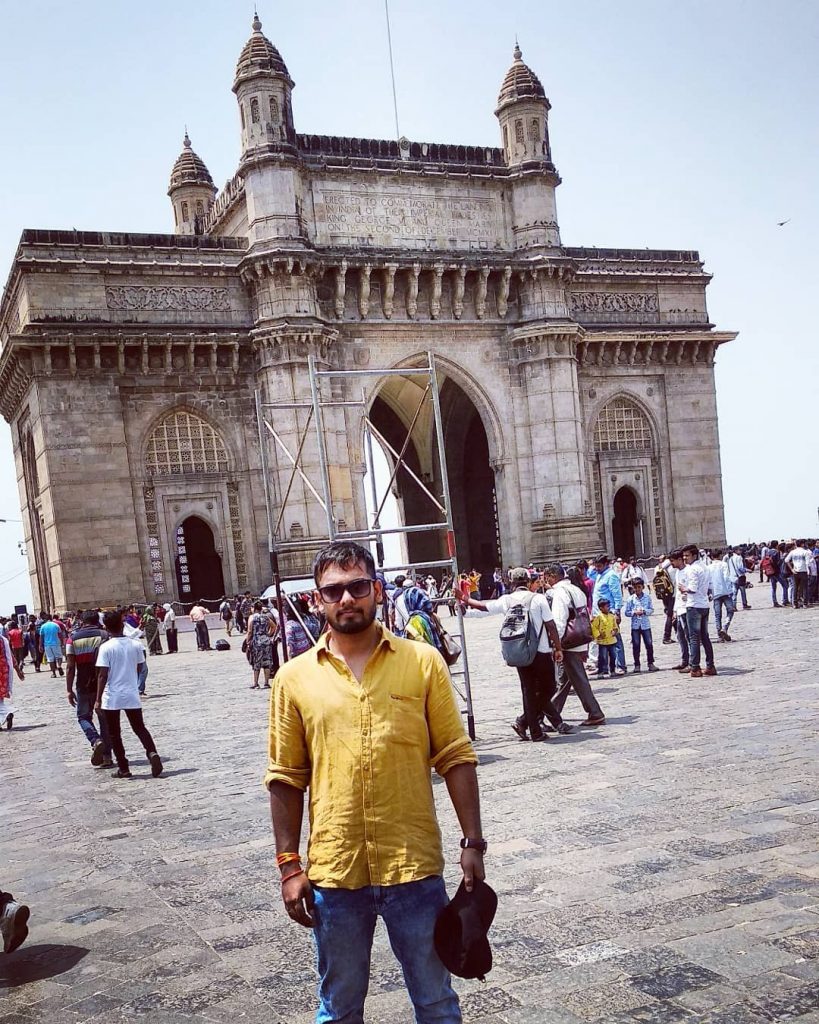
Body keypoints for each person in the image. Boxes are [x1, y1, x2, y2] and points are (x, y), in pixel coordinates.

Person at [265, 541, 483, 1023]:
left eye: (357, 586)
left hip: (414, 870)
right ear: (316, 600)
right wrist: (288, 865)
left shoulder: (423, 662)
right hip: (335, 874)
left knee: (436, 1002)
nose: (347, 599)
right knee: (339, 1008)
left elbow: (455, 756)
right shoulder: (293, 678)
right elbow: (285, 777)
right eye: (333, 591)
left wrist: (473, 842)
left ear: (377, 591)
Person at [462, 566, 570, 742]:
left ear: (511, 583)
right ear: (527, 582)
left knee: (527, 690)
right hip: (541, 651)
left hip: (519, 650)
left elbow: (483, 607)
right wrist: (558, 648)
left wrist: (464, 598)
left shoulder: (507, 600)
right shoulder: (539, 599)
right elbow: (551, 626)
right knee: (549, 687)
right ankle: (525, 722)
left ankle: (532, 729)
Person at [94, 609, 163, 779]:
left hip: (112, 696)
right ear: (122, 624)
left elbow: (102, 675)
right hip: (131, 693)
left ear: (106, 627)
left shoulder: (105, 648)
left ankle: (124, 767)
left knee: (114, 733)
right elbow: (139, 667)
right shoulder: (136, 645)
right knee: (139, 728)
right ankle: (152, 752)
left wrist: (97, 699)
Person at [545, 564, 606, 726]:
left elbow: (559, 621)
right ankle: (551, 713)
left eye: (547, 577)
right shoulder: (576, 589)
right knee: (565, 680)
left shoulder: (559, 593)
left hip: (568, 642)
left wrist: (555, 645)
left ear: (552, 576)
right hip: (579, 637)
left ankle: (595, 712)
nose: (547, 581)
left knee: (578, 678)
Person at [65, 610, 113, 768]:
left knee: (83, 717)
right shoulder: (104, 635)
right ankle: (107, 757)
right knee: (104, 719)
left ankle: (95, 740)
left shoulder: (72, 639)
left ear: (82, 621)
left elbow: (71, 667)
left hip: (83, 684)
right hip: (102, 682)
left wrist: (69, 689)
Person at [678, 544, 717, 679]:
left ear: (694, 555)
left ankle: (695, 667)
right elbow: (710, 586)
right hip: (704, 605)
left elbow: (692, 588)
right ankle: (710, 665)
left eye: (687, 555)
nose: (684, 558)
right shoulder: (705, 567)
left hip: (693, 606)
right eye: (683, 556)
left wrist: (684, 589)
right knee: (705, 637)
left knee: (694, 638)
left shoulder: (692, 569)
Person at [592, 555, 626, 675]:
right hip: (599, 614)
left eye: (599, 566)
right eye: (596, 566)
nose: (597, 568)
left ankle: (620, 665)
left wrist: (617, 612)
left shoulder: (611, 575)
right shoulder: (599, 575)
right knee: (602, 641)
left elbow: (617, 595)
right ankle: (603, 666)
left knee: (615, 639)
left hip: (610, 613)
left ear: (606, 564)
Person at [623, 578, 658, 672]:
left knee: (649, 644)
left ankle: (651, 663)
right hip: (635, 626)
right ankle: (637, 664)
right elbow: (626, 612)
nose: (637, 589)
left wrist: (644, 611)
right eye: (635, 587)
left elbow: (651, 609)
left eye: (639, 587)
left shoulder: (647, 597)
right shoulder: (631, 599)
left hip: (645, 625)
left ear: (643, 587)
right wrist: (634, 612)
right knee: (636, 645)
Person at [246, 600, 279, 688]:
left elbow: (249, 631)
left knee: (257, 661)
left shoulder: (252, 617)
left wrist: (248, 641)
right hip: (266, 640)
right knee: (267, 661)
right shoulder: (265, 617)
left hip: (257, 641)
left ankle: (256, 683)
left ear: (254, 608)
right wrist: (268, 634)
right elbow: (274, 627)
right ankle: (266, 682)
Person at [709, 552, 735, 641]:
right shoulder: (723, 564)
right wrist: (730, 590)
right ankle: (725, 627)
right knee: (730, 610)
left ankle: (719, 634)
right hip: (725, 592)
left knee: (717, 615)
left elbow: (708, 581)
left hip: (715, 593)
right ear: (720, 556)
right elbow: (727, 577)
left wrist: (710, 592)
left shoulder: (708, 567)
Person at [1, 631, 25, 730]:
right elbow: (10, 656)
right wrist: (18, 670)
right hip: (4, 670)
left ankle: (7, 713)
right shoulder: (3, 640)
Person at [591, 599, 619, 677]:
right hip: (602, 642)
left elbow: (615, 626)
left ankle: (612, 671)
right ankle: (601, 672)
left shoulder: (612, 616)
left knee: (613, 656)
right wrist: (598, 635)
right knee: (602, 657)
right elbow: (594, 627)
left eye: (609, 606)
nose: (609, 608)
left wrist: (615, 631)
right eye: (607, 606)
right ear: (601, 608)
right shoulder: (598, 617)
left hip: (612, 640)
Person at [785, 540, 812, 609]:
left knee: (795, 588)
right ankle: (805, 604)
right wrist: (809, 572)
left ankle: (795, 604)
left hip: (795, 571)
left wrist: (791, 569)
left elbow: (786, 560)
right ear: (802, 544)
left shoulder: (793, 552)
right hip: (804, 571)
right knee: (805, 588)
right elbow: (807, 563)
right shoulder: (805, 552)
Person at [39, 613, 64, 678]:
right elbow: (60, 635)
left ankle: (53, 673)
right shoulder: (56, 625)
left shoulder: (43, 626)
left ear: (45, 619)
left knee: (50, 659)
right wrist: (62, 642)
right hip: (56, 643)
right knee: (59, 657)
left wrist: (40, 645)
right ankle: (59, 666)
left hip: (47, 645)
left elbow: (41, 637)